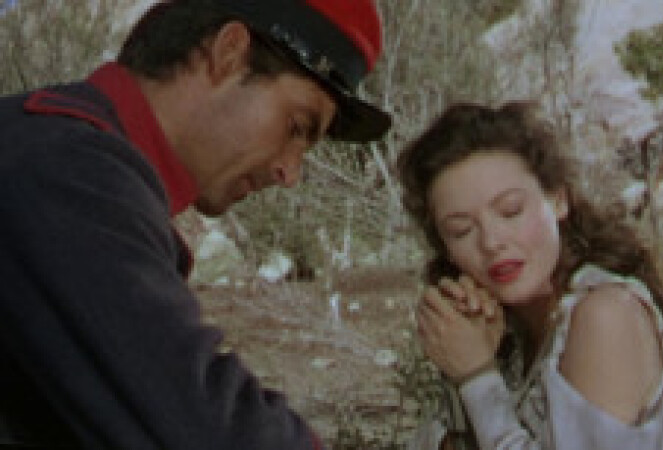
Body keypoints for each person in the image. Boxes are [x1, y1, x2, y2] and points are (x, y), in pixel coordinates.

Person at [0, 0, 390, 448]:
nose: (290, 172)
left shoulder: (58, 153)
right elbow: (200, 428)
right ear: (228, 52)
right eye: (297, 127)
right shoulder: (68, 173)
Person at [396, 102, 663, 449]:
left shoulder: (605, 314)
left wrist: (476, 378)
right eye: (462, 230)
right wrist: (459, 369)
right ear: (447, 250)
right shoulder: (504, 336)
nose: (492, 242)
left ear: (558, 200)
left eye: (511, 211)